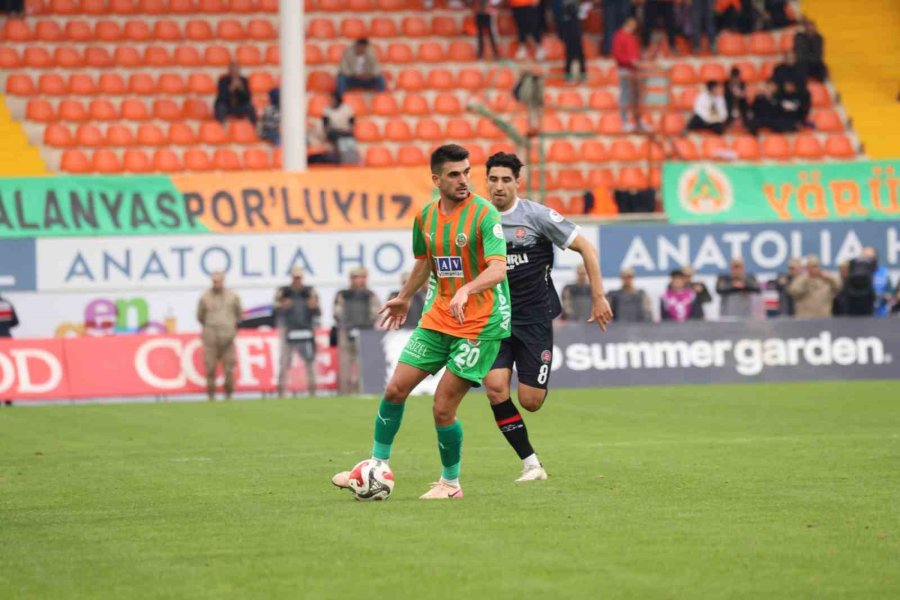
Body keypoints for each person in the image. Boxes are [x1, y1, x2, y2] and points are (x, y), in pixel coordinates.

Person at [332, 144, 512, 500]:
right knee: (394, 389)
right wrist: (404, 296)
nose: (464, 181)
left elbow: (498, 267)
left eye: (467, 172)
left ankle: (450, 483)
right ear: (436, 179)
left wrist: (467, 290)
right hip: (438, 317)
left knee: (443, 405)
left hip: (480, 324)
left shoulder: (484, 214)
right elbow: (427, 261)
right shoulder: (426, 218)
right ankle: (377, 466)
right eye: (454, 174)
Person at [482, 152, 612, 482]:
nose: (499, 186)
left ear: (517, 183)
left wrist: (598, 296)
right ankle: (530, 464)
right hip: (495, 319)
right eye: (493, 179)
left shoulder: (538, 217)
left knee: (531, 401)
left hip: (535, 319)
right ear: (486, 181)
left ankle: (534, 385)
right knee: (496, 388)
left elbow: (586, 247)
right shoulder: (476, 218)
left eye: (505, 179)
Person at [196, 272, 243, 401]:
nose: (217, 284)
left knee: (229, 369)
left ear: (223, 281)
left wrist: (231, 327)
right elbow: (200, 316)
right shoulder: (205, 297)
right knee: (210, 367)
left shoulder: (233, 296)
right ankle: (211, 395)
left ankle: (229, 394)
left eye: (219, 281)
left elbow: (239, 314)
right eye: (215, 281)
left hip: (228, 337)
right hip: (211, 338)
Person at [275, 266, 321, 397]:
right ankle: (281, 392)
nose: (297, 280)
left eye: (299, 278)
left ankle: (312, 391)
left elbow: (318, 311)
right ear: (291, 277)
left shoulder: (310, 291)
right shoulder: (283, 292)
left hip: (306, 328)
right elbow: (275, 310)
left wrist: (314, 306)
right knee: (284, 361)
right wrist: (283, 306)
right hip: (288, 329)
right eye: (295, 277)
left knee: (309, 361)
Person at [333, 267, 380, 394]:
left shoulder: (370, 295)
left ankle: (363, 391)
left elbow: (376, 312)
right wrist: (347, 325)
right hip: (346, 332)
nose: (358, 280)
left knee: (364, 365)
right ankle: (344, 393)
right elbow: (337, 313)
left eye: (361, 277)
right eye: (355, 277)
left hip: (365, 333)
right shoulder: (343, 294)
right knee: (345, 366)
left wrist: (366, 326)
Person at [612, 17, 645, 132]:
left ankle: (638, 121)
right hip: (625, 70)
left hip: (634, 71)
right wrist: (631, 62)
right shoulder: (619, 36)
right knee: (625, 95)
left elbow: (635, 54)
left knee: (636, 97)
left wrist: (639, 63)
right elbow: (618, 55)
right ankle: (624, 121)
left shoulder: (632, 37)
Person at [559, 0, 586, 82]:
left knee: (579, 56)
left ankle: (582, 75)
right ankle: (569, 75)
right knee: (570, 56)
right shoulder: (565, 10)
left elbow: (582, 16)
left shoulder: (577, 7)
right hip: (570, 35)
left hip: (576, 35)